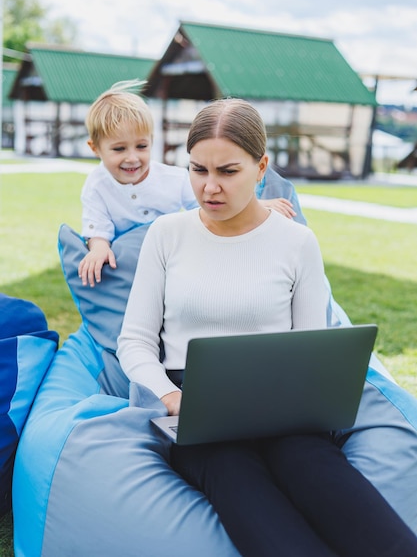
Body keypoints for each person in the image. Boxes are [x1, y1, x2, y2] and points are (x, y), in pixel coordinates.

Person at [117, 98, 417, 557]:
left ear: (261, 168)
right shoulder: (167, 234)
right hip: (193, 405)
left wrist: (305, 405)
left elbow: (312, 347)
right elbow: (135, 341)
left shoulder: (296, 242)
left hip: (282, 404)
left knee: (314, 467)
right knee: (237, 480)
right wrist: (173, 397)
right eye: (198, 170)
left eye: (227, 171)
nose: (209, 188)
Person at [78, 81, 296, 287]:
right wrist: (99, 248)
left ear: (152, 141)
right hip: (128, 263)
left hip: (167, 256)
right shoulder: (96, 185)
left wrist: (258, 204)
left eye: (141, 146)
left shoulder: (172, 178)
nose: (132, 157)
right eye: (119, 149)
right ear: (95, 148)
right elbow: (97, 224)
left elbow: (204, 205)